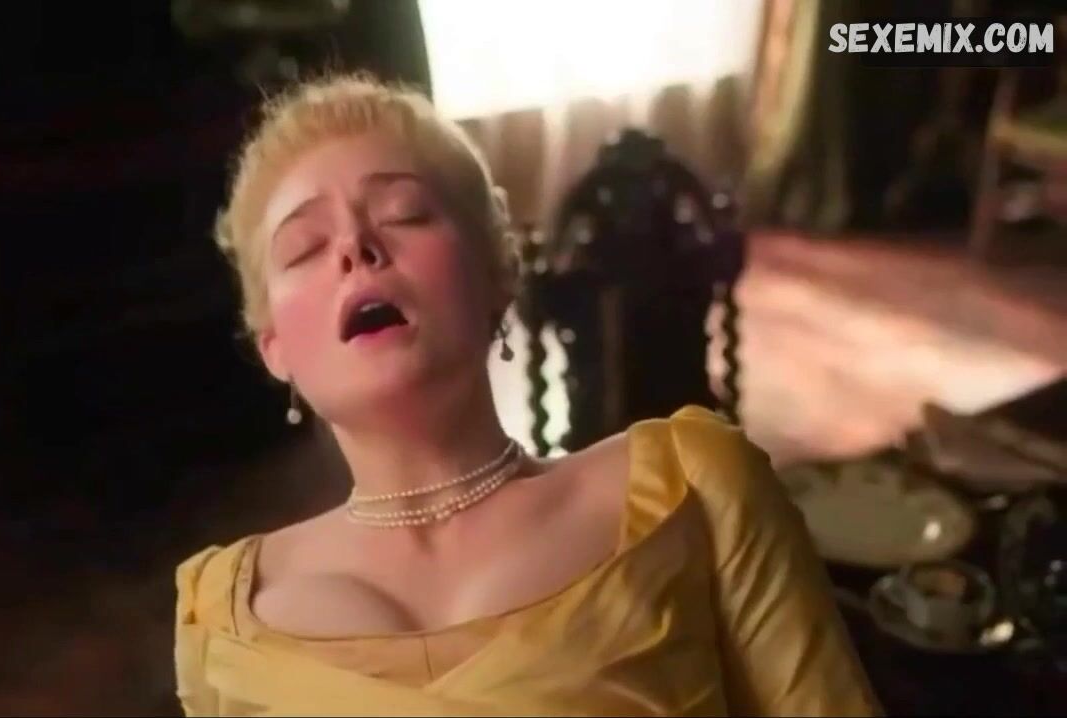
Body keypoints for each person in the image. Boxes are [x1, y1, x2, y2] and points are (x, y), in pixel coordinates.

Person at [174, 72, 882, 717]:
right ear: (274, 349)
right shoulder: (219, 619)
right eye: (303, 248)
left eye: (403, 213)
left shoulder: (693, 487)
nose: (355, 248)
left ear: (496, 275)